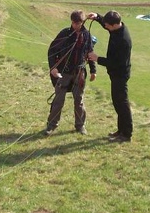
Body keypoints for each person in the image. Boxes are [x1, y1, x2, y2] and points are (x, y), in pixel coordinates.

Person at [44, 10, 97, 136]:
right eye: (73, 22)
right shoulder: (65, 34)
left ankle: (80, 126)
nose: (75, 25)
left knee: (79, 100)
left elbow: (90, 53)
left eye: (77, 23)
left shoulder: (87, 35)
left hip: (79, 73)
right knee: (58, 100)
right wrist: (53, 67)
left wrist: (93, 71)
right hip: (64, 72)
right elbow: (52, 50)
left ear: (82, 22)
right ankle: (51, 125)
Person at [87, 10, 133, 142]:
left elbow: (116, 63)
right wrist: (97, 17)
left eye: (107, 25)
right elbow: (105, 23)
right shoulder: (116, 28)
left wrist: (97, 59)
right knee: (117, 103)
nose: (105, 26)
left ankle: (126, 134)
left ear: (113, 25)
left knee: (122, 104)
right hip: (115, 74)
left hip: (120, 74)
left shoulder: (123, 40)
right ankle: (121, 130)